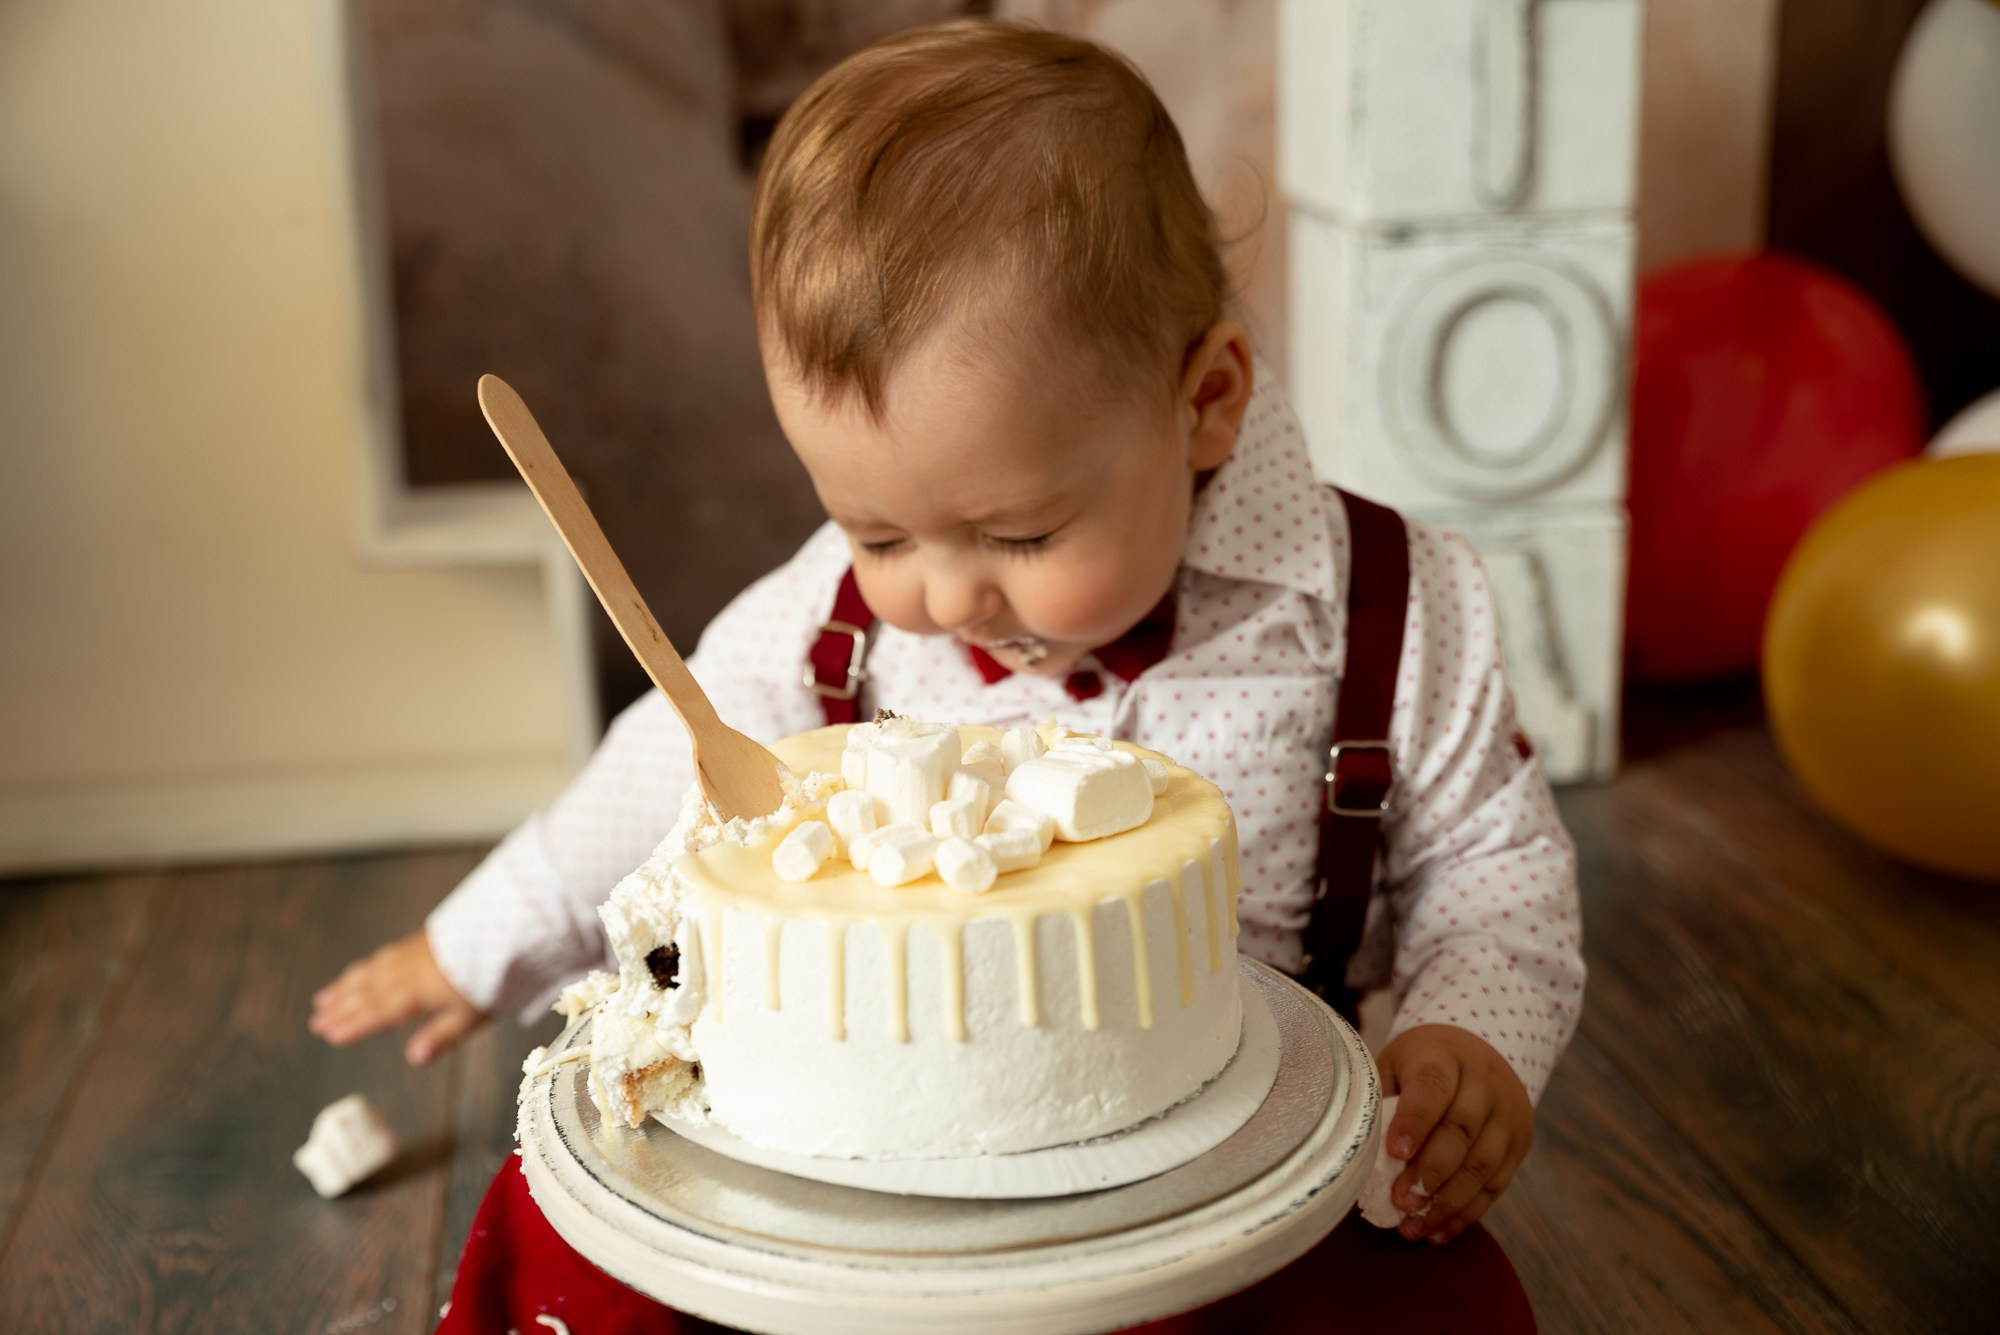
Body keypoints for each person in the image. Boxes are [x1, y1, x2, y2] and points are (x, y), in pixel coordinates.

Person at [311, 18, 1581, 1250]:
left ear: (1203, 402)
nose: (943, 599)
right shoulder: (835, 618)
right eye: (877, 531)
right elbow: (675, 753)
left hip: (1263, 1181)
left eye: (1020, 536)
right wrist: (473, 943)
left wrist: (1469, 1040)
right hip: (910, 1196)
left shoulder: (1395, 611)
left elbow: (1492, 872)